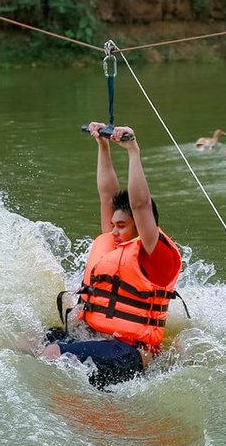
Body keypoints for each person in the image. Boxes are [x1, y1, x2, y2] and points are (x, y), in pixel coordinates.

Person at [42, 122, 182, 388]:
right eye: (113, 225)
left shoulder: (154, 256)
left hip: (130, 352)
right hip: (98, 338)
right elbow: (107, 195)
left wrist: (132, 150)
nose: (113, 230)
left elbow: (140, 205)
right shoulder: (116, 243)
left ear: (140, 226)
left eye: (122, 225)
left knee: (51, 355)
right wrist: (102, 146)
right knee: (25, 341)